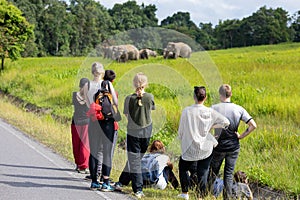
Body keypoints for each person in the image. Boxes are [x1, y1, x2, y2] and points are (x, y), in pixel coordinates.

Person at [177, 86, 230, 200]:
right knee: (203, 172)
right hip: (205, 147)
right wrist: (212, 126)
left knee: (183, 168)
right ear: (205, 97)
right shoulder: (209, 111)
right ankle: (200, 197)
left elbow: (181, 131)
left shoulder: (187, 111)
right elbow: (226, 122)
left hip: (190, 147)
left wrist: (182, 138)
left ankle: (185, 193)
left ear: (194, 97)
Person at [210, 84, 257, 200]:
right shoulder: (239, 108)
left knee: (212, 171)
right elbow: (253, 125)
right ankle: (227, 197)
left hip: (218, 145)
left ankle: (206, 193)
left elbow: (205, 124)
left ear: (220, 94)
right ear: (230, 94)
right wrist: (241, 136)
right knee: (229, 174)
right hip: (233, 146)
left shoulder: (214, 108)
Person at [114, 72, 155, 199]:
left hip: (133, 130)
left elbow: (126, 114)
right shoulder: (150, 97)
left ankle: (138, 189)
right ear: (145, 84)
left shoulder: (129, 99)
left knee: (134, 160)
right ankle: (122, 182)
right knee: (136, 159)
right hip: (147, 130)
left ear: (134, 84)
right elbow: (151, 109)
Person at [84, 62, 118, 191]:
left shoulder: (87, 85)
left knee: (94, 151)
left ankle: (94, 181)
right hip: (107, 121)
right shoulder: (107, 84)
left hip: (93, 120)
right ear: (103, 72)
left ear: (92, 72)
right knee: (107, 152)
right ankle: (105, 182)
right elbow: (115, 101)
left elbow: (88, 104)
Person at [71, 78, 90, 174]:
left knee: (80, 144)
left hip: (79, 122)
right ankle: (82, 165)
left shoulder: (75, 95)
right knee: (81, 144)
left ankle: (80, 164)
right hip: (82, 122)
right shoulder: (89, 96)